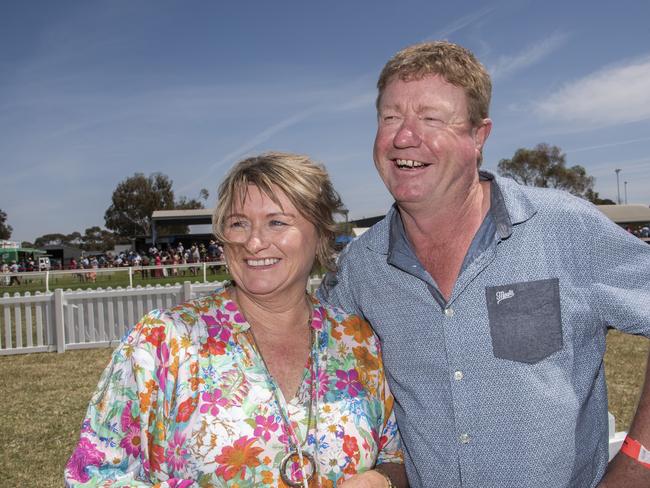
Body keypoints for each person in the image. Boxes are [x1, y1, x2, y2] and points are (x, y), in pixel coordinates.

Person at [318, 41, 650, 488]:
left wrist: (637, 463)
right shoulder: (360, 269)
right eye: (390, 117)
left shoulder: (563, 228)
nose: (403, 137)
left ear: (479, 136)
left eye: (431, 118)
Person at [65, 152, 406, 487]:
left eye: (277, 222)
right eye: (239, 223)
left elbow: (398, 456)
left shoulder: (358, 342)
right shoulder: (162, 342)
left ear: (319, 235)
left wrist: (380, 480)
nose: (254, 242)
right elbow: (92, 475)